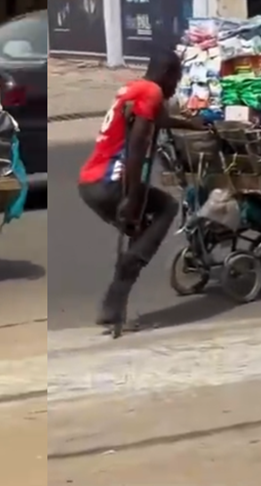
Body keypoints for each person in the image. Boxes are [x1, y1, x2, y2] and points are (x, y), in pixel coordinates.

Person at [78, 48, 202, 327]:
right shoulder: (152, 92)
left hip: (89, 183)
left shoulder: (134, 88)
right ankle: (117, 291)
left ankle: (114, 303)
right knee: (166, 208)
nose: (174, 89)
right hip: (110, 182)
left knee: (141, 229)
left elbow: (159, 120)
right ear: (167, 74)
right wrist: (133, 198)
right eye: (176, 80)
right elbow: (135, 147)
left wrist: (191, 124)